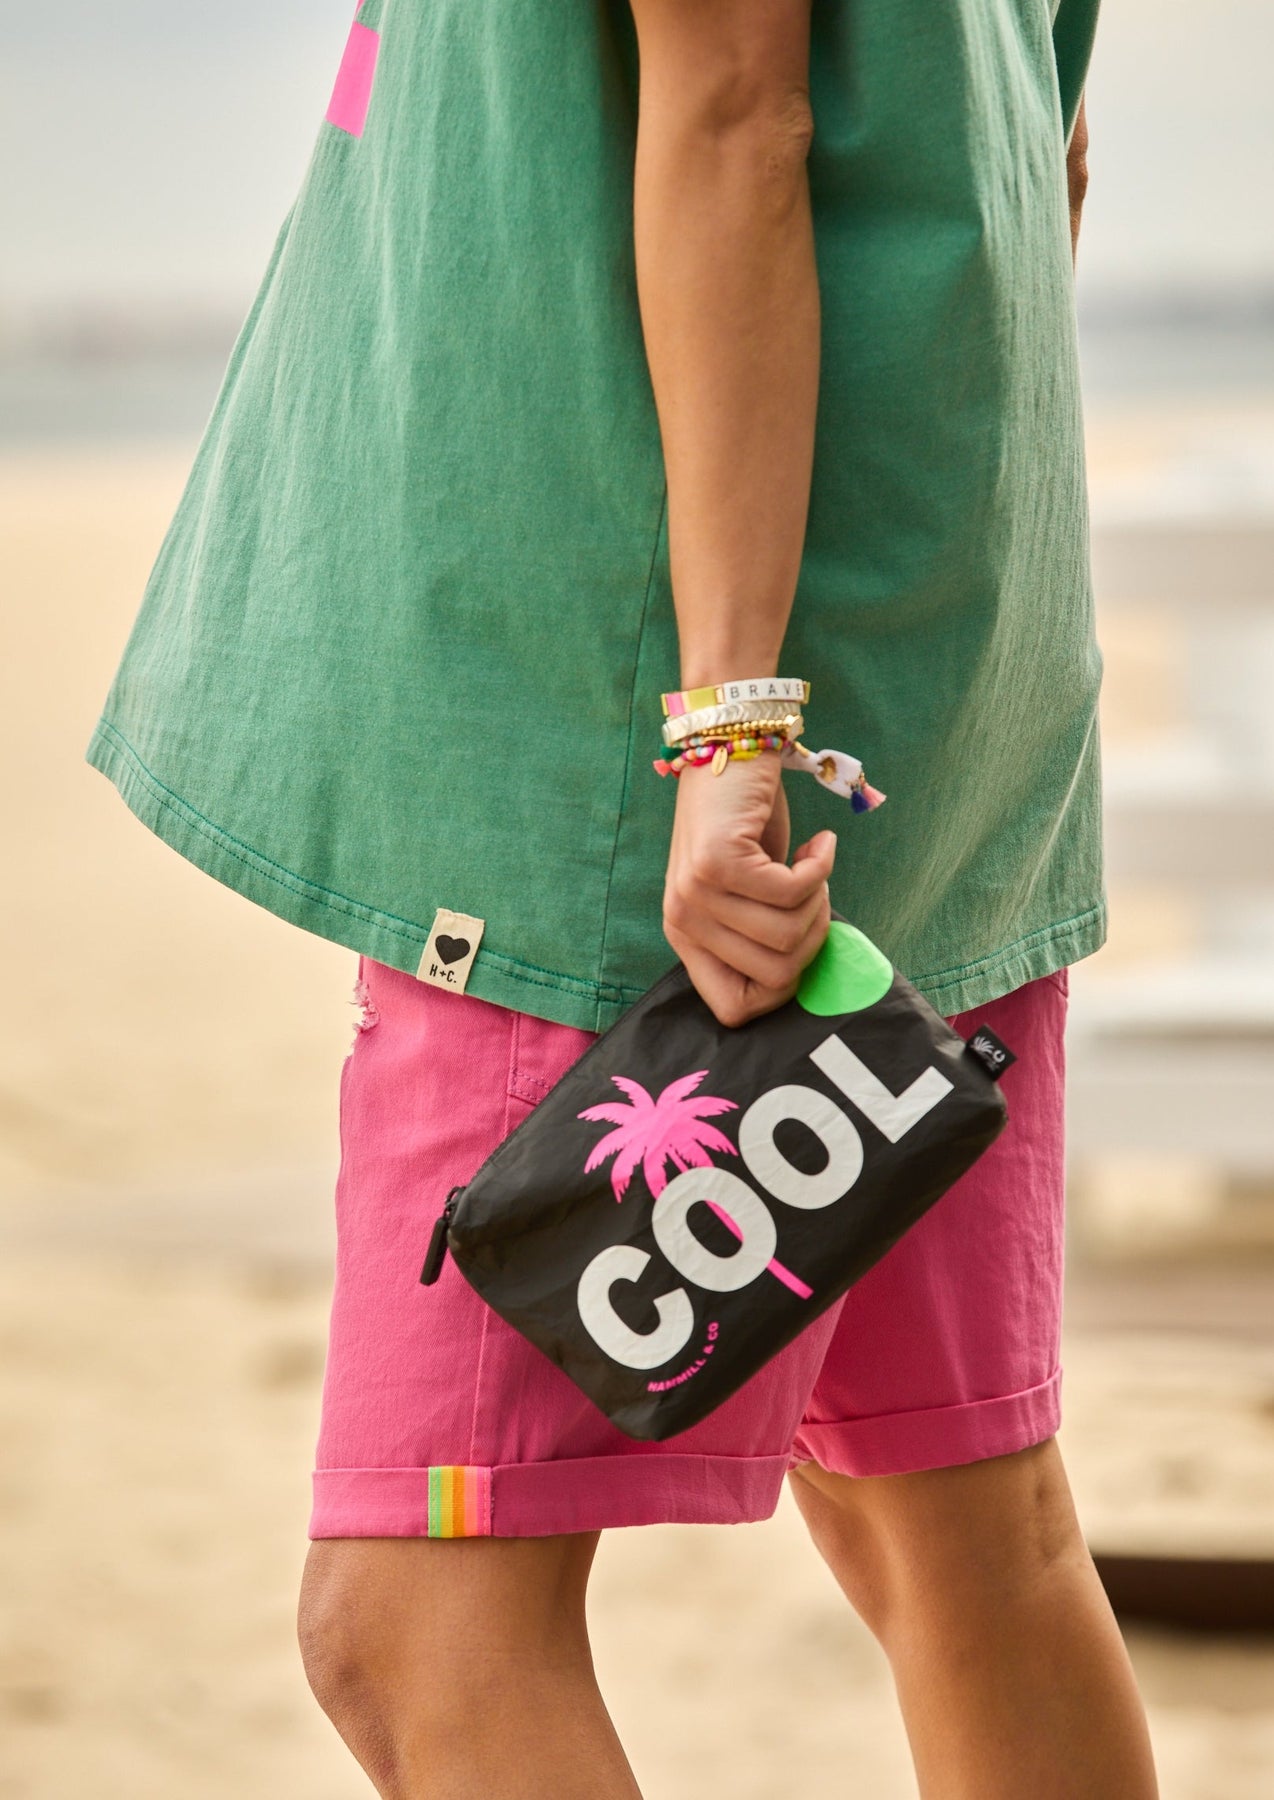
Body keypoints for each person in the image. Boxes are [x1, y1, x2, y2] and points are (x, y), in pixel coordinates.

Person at [87, 0, 1159, 1794]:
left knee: (421, 1623)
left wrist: (729, 723)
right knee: (956, 1528)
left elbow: (736, 111)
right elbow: (1042, 142)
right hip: (919, 702)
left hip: (632, 780)